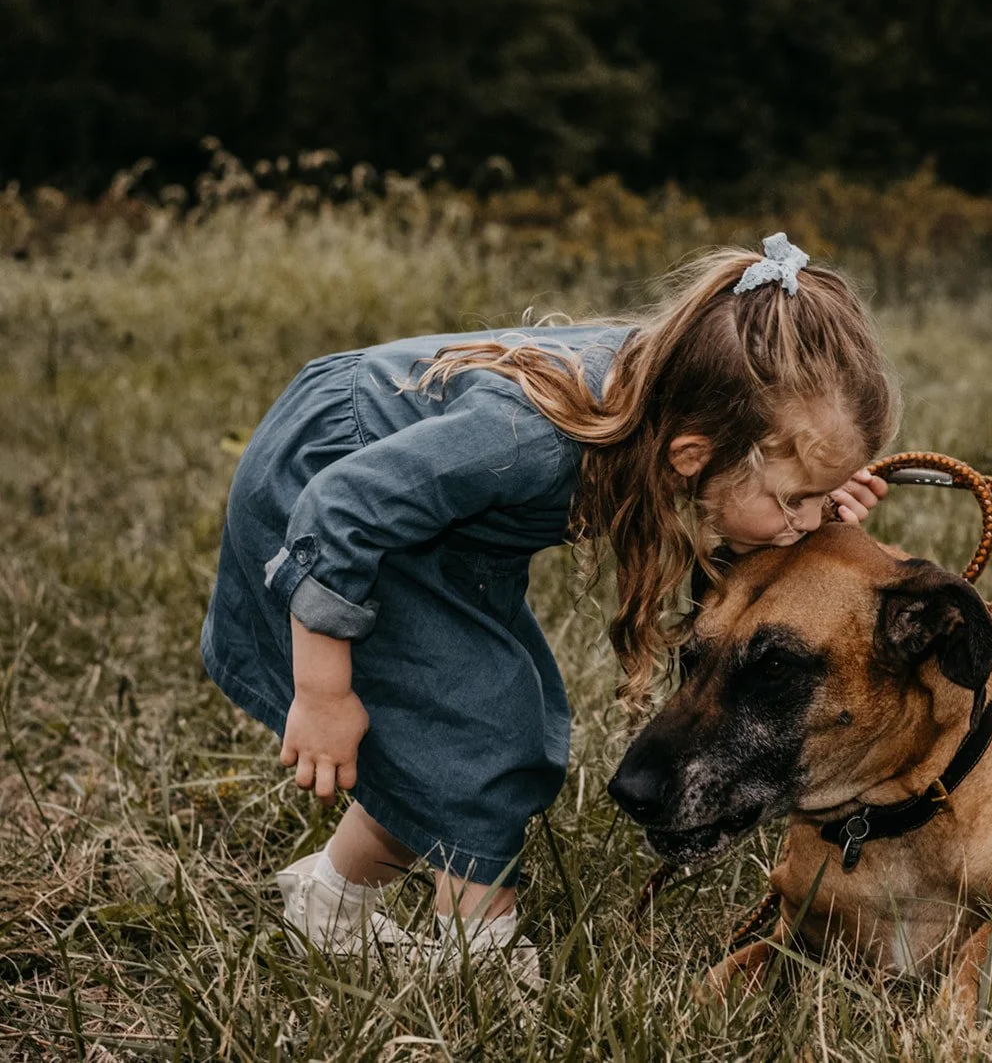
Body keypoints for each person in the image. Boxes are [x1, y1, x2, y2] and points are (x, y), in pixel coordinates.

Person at [199, 234, 899, 964]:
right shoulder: (526, 441)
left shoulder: (694, 390)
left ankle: (330, 905)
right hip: (326, 502)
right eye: (797, 500)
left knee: (487, 723)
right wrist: (321, 691)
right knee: (484, 731)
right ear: (695, 457)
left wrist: (810, 497)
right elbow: (337, 509)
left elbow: (745, 517)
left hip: (431, 528)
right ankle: (482, 964)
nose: (810, 521)